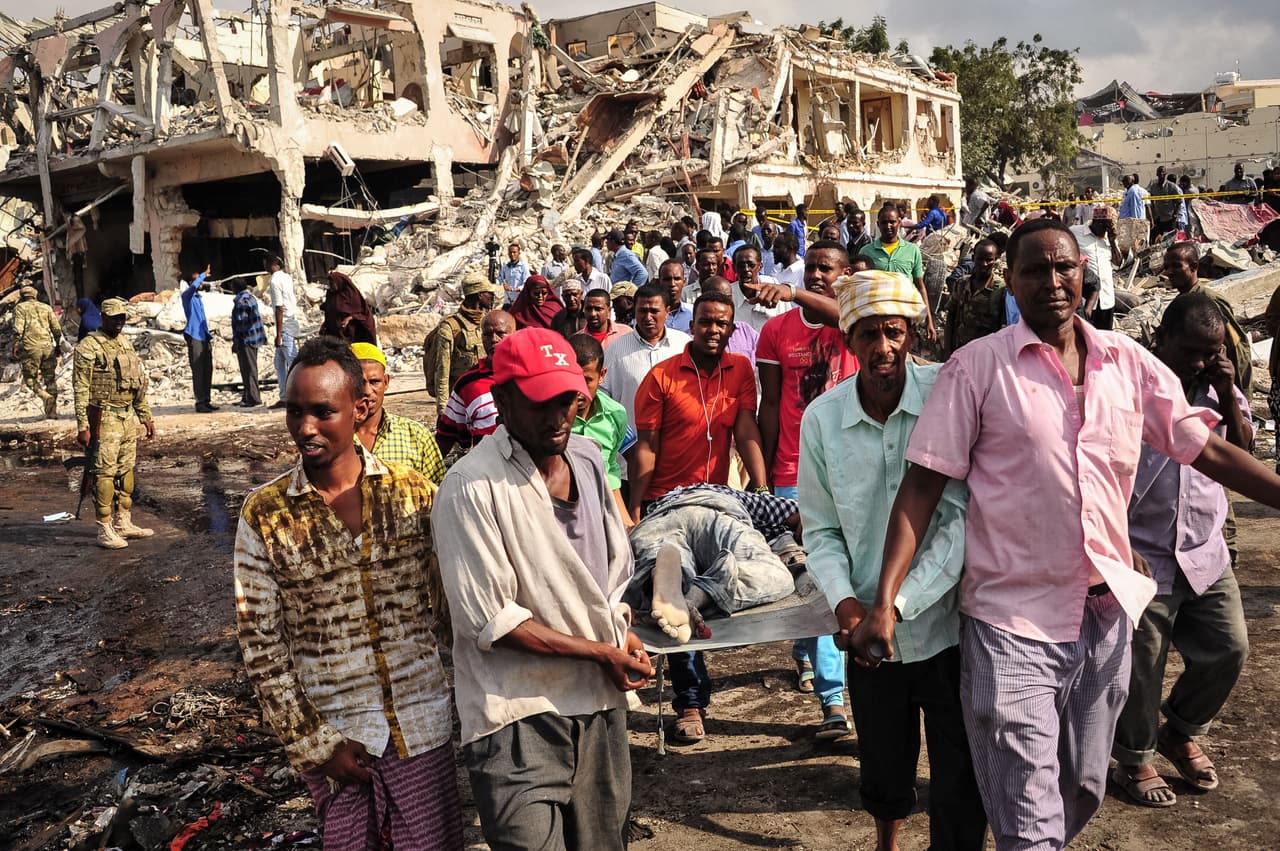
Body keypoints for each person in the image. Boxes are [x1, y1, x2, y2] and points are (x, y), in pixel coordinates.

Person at [856, 218, 1280, 851]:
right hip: (1010, 622)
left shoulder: (1127, 362)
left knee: (1082, 784)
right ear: (1011, 280)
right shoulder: (978, 368)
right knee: (1029, 823)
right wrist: (885, 602)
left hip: (1105, 615)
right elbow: (921, 488)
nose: (1051, 282)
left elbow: (1205, 450)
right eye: (1034, 270)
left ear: (1085, 274)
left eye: (1064, 268)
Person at [234, 338, 462, 851]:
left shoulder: (413, 495)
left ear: (359, 409)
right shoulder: (265, 514)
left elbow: (450, 610)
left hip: (420, 726)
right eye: (294, 412)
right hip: (336, 737)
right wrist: (314, 743)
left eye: (322, 412)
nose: (305, 427)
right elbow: (261, 647)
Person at [433, 328, 652, 851]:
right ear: (502, 400)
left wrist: (619, 635)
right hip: (518, 712)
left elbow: (609, 571)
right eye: (539, 403)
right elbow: (489, 619)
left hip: (598, 702)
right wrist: (600, 649)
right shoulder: (471, 487)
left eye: (566, 400)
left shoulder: (587, 459)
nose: (556, 417)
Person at [800, 270, 986, 851]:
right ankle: (888, 843)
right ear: (847, 340)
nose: (883, 348)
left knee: (959, 768)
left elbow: (958, 520)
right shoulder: (822, 420)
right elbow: (822, 529)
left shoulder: (943, 397)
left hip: (946, 624)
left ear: (911, 334)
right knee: (883, 759)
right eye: (868, 335)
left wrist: (897, 605)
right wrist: (848, 603)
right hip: (865, 634)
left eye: (893, 332)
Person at [1111, 293, 1252, 809]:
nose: (1197, 362)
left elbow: (1243, 453)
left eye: (1208, 352)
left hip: (1203, 549)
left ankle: (1181, 729)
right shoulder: (1130, 388)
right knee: (1143, 661)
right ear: (1161, 339)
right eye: (1189, 351)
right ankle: (1135, 757)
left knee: (1229, 646)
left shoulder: (1218, 390)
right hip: (1143, 551)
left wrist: (1226, 384)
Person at [630, 292, 769, 744]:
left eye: (722, 324)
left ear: (732, 328)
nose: (713, 330)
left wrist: (761, 487)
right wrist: (636, 505)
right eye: (706, 322)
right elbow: (646, 447)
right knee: (672, 594)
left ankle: (702, 594)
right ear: (692, 326)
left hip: (719, 500)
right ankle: (690, 703)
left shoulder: (741, 371)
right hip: (668, 503)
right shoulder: (661, 377)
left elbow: (745, 429)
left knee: (765, 571)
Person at [756, 241, 858, 740]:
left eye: (827, 269)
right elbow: (771, 404)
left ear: (844, 276)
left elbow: (844, 313)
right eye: (811, 267)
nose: (817, 274)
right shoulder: (775, 331)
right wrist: (766, 476)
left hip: (851, 467)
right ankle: (834, 700)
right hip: (795, 471)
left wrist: (794, 292)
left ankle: (806, 649)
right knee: (817, 575)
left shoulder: (851, 324)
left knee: (849, 572)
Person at [73, 298, 154, 549]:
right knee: (104, 474)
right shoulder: (88, 347)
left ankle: (123, 522)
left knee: (126, 471)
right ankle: (104, 528)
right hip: (104, 417)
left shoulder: (125, 343)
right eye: (115, 318)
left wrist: (146, 416)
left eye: (123, 318)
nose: (120, 322)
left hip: (126, 416)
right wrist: (83, 426)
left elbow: (137, 384)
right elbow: (81, 389)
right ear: (103, 317)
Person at [600, 284, 691, 452]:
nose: (648, 317)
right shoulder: (615, 350)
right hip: (629, 459)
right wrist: (625, 443)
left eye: (654, 311)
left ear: (668, 311)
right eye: (642, 311)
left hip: (677, 455)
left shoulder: (684, 345)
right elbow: (603, 403)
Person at [1163, 241, 1252, 394]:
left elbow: (1236, 345)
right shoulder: (1183, 300)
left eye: (1176, 266)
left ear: (1193, 267)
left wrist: (1239, 391)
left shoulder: (1209, 301)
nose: (1169, 272)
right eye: (1167, 267)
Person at [353, 342, 445, 484]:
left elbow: (440, 495)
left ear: (386, 382)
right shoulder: (333, 438)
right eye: (359, 382)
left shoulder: (417, 437)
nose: (367, 391)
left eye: (374, 382)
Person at [569, 334, 636, 525]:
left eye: (587, 380)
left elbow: (612, 463)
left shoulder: (616, 414)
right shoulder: (549, 417)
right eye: (573, 379)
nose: (578, 390)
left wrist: (628, 515)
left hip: (604, 502)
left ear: (602, 376)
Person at [436, 310, 515, 457]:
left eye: (500, 333)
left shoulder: (529, 374)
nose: (493, 339)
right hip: (487, 471)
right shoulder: (468, 384)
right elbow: (446, 436)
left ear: (514, 334)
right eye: (487, 334)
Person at [859, 206, 934, 341]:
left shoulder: (912, 250)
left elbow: (920, 286)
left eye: (892, 222)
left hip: (905, 315)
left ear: (899, 223)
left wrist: (929, 320)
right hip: (877, 316)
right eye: (884, 222)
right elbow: (860, 287)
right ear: (878, 224)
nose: (888, 226)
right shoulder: (866, 252)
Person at [427, 271, 492, 412]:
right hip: (461, 401)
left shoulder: (488, 322)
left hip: (484, 398)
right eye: (489, 293)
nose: (492, 296)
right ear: (479, 295)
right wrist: (443, 409)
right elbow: (442, 370)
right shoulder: (451, 327)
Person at [945, 239, 1005, 355]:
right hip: (960, 349)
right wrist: (947, 349)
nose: (984, 264)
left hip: (985, 354)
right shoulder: (962, 283)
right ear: (973, 258)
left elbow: (1004, 327)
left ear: (995, 260)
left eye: (989, 260)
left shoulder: (1000, 289)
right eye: (980, 259)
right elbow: (951, 315)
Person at [12, 284, 62, 418]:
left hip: (30, 348)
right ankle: (52, 413)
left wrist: (15, 344)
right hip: (47, 347)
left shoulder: (20, 308)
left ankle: (45, 397)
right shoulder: (46, 307)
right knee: (50, 379)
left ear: (22, 297)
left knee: (29, 379)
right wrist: (58, 345)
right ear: (35, 295)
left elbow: (18, 329)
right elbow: (56, 328)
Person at [1070, 205, 1122, 331]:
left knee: (1105, 338)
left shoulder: (1109, 238)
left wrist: (1113, 242)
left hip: (1106, 298)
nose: (1105, 229)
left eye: (1109, 226)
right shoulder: (1075, 232)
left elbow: (1117, 264)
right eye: (1104, 225)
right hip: (1085, 300)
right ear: (1096, 221)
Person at [698, 276, 759, 365]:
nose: (723, 304)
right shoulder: (694, 336)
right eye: (717, 299)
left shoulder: (745, 331)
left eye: (728, 298)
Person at [181, 264, 217, 413]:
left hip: (203, 336)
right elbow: (193, 286)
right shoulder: (187, 296)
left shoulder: (198, 298)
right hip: (195, 336)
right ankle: (200, 402)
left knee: (207, 369)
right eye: (197, 281)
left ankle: (206, 400)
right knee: (198, 370)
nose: (201, 283)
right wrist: (203, 274)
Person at [266, 255, 300, 410]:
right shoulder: (287, 277)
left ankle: (300, 396)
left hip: (284, 326)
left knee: (293, 362)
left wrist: (278, 334)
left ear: (272, 264)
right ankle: (284, 396)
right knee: (279, 363)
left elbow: (279, 307)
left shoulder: (274, 281)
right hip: (290, 323)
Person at [230, 279, 267, 407]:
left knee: (248, 369)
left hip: (246, 340)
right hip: (253, 339)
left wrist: (236, 341)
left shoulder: (241, 301)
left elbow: (242, 323)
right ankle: (247, 396)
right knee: (249, 368)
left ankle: (253, 398)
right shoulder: (250, 298)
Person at [320, 270, 377, 344]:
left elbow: (363, 313)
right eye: (329, 283)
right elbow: (329, 311)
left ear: (339, 282)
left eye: (332, 283)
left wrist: (349, 318)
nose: (330, 286)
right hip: (334, 333)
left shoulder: (351, 295)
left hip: (350, 334)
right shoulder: (331, 295)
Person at [658, 259, 694, 333]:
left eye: (677, 279)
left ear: (684, 281)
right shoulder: (651, 314)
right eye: (667, 279)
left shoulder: (693, 312)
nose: (672, 284)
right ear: (659, 282)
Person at [1147, 167, 1181, 238]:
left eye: (1163, 172)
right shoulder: (1153, 187)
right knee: (1158, 239)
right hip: (1158, 218)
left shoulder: (1172, 186)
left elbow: (1178, 202)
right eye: (1159, 172)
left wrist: (1175, 215)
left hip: (1169, 218)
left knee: (1170, 239)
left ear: (1165, 173)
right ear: (1157, 174)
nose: (1161, 174)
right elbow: (1151, 199)